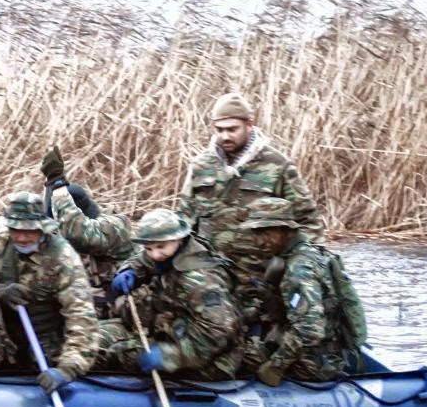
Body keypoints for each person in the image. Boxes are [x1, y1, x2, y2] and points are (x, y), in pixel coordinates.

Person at [178, 92, 325, 328]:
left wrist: (297, 266)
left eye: (232, 129)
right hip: (213, 277)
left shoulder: (277, 166)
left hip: (261, 278)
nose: (225, 136)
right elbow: (183, 220)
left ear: (249, 124)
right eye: (219, 129)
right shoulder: (201, 167)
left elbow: (309, 221)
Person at [98, 209, 244, 380]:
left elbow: (218, 332)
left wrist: (169, 356)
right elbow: (142, 259)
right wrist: (130, 270)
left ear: (178, 238)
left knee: (117, 353)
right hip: (166, 329)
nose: (155, 254)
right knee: (92, 337)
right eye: (149, 248)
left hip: (208, 356)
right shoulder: (171, 250)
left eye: (160, 247)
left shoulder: (201, 279)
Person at [0, 191, 100, 394]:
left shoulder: (63, 258)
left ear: (42, 228)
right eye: (15, 230)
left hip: (45, 343)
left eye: (29, 231)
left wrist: (67, 369)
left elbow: (81, 317)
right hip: (1, 338)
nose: (22, 237)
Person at [237, 197, 358, 386]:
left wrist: (275, 366)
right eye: (255, 233)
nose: (259, 241)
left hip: (312, 364)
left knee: (229, 354)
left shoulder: (299, 268)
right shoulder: (307, 252)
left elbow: (310, 329)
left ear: (287, 230)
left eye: (266, 232)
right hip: (325, 353)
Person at [39, 146, 137, 318]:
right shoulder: (57, 241)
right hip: (84, 320)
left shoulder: (116, 227)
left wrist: (57, 184)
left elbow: (78, 233)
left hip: (125, 318)